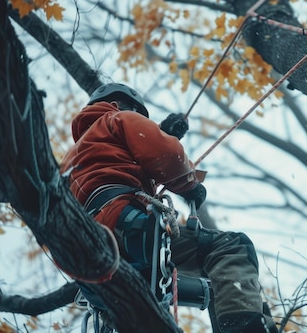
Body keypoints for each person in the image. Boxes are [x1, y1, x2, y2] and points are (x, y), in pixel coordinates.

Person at [60, 83, 277, 333]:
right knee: (231, 247)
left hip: (91, 255)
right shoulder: (117, 118)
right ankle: (243, 326)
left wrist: (163, 130)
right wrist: (190, 185)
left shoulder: (68, 163)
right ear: (120, 104)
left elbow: (115, 167)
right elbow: (166, 154)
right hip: (125, 224)